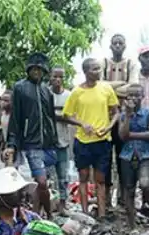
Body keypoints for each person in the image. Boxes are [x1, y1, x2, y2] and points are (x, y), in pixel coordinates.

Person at [61, 58, 119, 219]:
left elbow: (116, 112)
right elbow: (66, 115)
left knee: (100, 180)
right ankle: (85, 214)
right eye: (94, 69)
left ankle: (101, 215)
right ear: (86, 72)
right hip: (83, 142)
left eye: (99, 69)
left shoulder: (106, 88)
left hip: (102, 141)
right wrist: (82, 124)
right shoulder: (77, 92)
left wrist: (108, 127)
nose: (98, 72)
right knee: (83, 178)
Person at [5, 53, 59, 217]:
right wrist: (12, 143)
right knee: (40, 182)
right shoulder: (20, 88)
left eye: (40, 69)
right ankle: (46, 214)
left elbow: (51, 118)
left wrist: (54, 140)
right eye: (34, 69)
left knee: (43, 184)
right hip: (31, 143)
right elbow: (16, 118)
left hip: (48, 145)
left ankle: (41, 215)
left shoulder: (46, 91)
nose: (37, 72)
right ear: (29, 70)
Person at [102, 34, 137, 215]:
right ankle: (106, 201)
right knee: (106, 161)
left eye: (120, 43)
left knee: (124, 159)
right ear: (110, 45)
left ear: (124, 46)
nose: (117, 46)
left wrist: (108, 88)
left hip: (124, 120)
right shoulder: (104, 63)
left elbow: (132, 88)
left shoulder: (131, 64)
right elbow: (98, 86)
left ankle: (124, 200)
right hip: (105, 120)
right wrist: (120, 85)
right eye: (114, 43)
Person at [118, 83, 149, 227]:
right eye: (130, 95)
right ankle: (131, 224)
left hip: (146, 155)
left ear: (142, 96)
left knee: (145, 183)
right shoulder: (123, 115)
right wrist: (129, 116)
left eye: (137, 95)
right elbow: (122, 136)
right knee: (128, 189)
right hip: (127, 155)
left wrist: (132, 135)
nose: (133, 98)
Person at [50, 67, 74, 214]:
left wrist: (54, 115)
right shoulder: (45, 93)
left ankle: (62, 204)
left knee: (63, 176)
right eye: (55, 77)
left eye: (61, 77)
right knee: (47, 176)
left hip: (63, 140)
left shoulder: (68, 96)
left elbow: (70, 115)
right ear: (50, 77)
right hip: (47, 142)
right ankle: (49, 204)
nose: (58, 80)